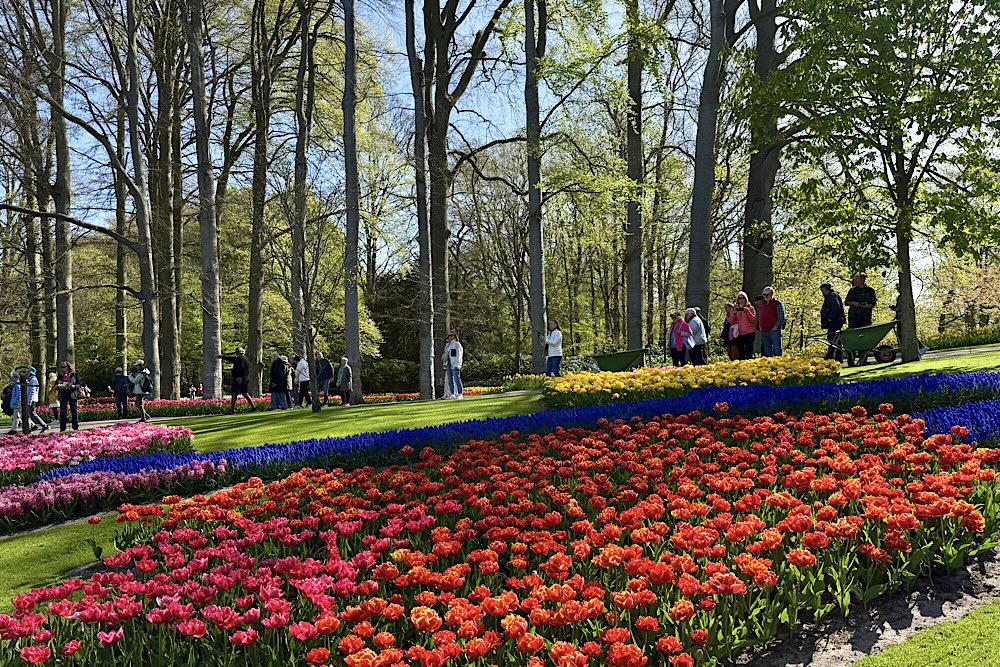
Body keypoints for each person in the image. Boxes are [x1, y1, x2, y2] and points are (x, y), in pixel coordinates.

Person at [219, 347, 257, 414]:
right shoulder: (245, 358)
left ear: (237, 353)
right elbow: (233, 359)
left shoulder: (239, 359)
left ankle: (232, 409)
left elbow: (240, 367)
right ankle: (253, 406)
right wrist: (223, 357)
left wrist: (239, 377)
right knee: (245, 393)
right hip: (245, 378)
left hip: (239, 379)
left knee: (234, 393)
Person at [820, 282, 846, 362]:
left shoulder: (831, 296)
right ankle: (838, 357)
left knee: (832, 338)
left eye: (823, 291)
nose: (822, 293)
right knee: (836, 339)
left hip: (835, 321)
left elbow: (836, 307)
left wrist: (830, 318)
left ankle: (831, 356)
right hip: (837, 320)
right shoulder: (834, 295)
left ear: (827, 290)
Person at [758, 286, 786, 357]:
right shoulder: (762, 304)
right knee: (767, 353)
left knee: (777, 352)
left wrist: (776, 326)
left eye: (767, 295)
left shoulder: (777, 304)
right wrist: (760, 326)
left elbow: (781, 317)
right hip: (764, 331)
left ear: (771, 294)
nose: (765, 296)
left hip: (774, 331)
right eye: (764, 295)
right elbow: (760, 316)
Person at [728, 292, 757, 360]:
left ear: (746, 299)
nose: (741, 300)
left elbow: (753, 319)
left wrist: (747, 311)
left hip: (749, 333)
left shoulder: (750, 308)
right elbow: (730, 321)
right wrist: (734, 313)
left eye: (743, 298)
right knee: (740, 352)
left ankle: (749, 365)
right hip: (739, 334)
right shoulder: (734, 308)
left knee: (748, 351)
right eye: (739, 298)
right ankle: (742, 367)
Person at [56, 361, 82, 431]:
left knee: (74, 411)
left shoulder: (74, 375)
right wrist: (59, 385)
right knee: (63, 411)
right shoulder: (60, 376)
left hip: (72, 394)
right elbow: (56, 385)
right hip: (63, 394)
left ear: (68, 367)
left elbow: (79, 384)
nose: (62, 369)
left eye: (64, 367)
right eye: (61, 367)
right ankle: (62, 428)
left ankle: (75, 427)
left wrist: (73, 386)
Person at [25, 367, 48, 432]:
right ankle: (32, 426)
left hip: (31, 400)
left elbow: (32, 391)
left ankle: (44, 425)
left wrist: (30, 401)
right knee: (28, 414)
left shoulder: (33, 380)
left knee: (32, 414)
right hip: (30, 400)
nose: (26, 373)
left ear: (30, 373)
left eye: (27, 372)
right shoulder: (30, 380)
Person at [442, 332, 464, 399]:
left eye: (451, 335)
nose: (450, 337)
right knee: (450, 379)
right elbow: (446, 354)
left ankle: (460, 393)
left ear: (454, 336)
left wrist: (458, 364)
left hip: (454, 363)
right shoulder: (448, 345)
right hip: (448, 363)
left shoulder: (456, 344)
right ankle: (452, 393)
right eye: (449, 335)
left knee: (457, 378)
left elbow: (459, 355)